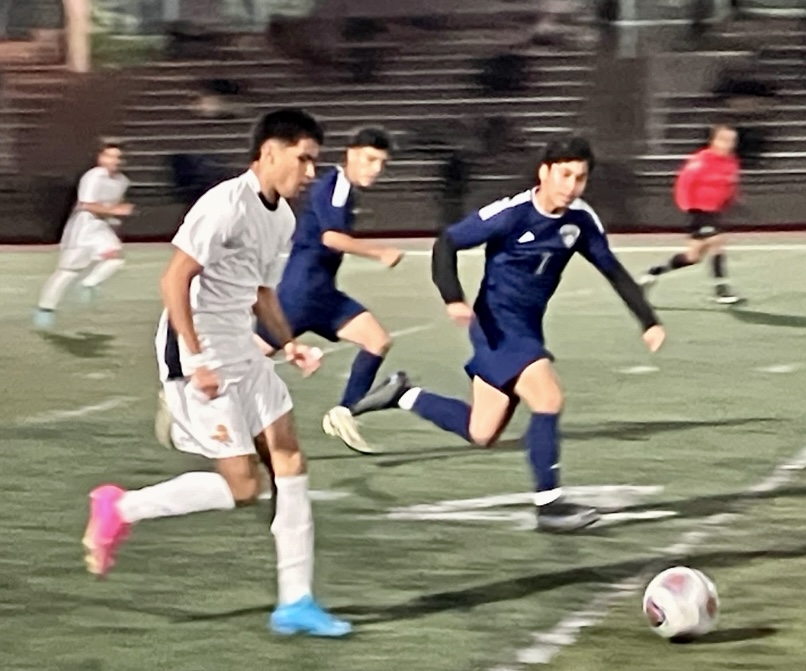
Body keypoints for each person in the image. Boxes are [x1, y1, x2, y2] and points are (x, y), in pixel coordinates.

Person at [82, 109, 351, 638]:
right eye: (304, 159)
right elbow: (173, 280)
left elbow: (262, 292)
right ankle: (121, 507)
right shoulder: (225, 204)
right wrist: (198, 356)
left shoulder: (283, 220)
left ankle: (296, 601)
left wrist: (291, 344)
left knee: (290, 456)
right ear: (269, 152)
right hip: (197, 351)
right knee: (243, 486)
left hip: (244, 350)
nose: (310, 173)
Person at [350, 136, 666, 533]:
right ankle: (550, 505)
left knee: (482, 432)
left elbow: (612, 269)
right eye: (564, 174)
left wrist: (648, 320)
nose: (571, 185)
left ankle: (403, 394)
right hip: (497, 325)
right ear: (544, 172)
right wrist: (453, 298)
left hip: (526, 327)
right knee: (548, 398)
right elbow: (447, 242)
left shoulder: (580, 220)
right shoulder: (513, 213)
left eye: (580, 178)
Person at [254, 127, 403, 454]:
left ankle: (343, 413)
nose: (376, 168)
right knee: (247, 359)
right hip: (300, 294)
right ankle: (188, 392)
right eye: (370, 159)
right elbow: (331, 238)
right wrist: (379, 252)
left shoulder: (345, 190)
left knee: (377, 340)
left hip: (322, 295)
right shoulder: (335, 187)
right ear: (350, 153)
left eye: (381, 162)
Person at [34, 139, 133, 330]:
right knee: (68, 272)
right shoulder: (93, 176)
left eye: (118, 157)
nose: (115, 161)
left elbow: (115, 204)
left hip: (101, 227)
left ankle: (89, 284)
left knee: (115, 258)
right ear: (101, 158)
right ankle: (45, 309)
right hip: (84, 227)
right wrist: (116, 210)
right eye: (110, 156)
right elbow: (86, 204)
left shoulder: (122, 181)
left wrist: (117, 212)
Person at [639, 124, 743, 304]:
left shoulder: (731, 162)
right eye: (724, 139)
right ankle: (721, 289)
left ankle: (652, 273)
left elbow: (730, 185)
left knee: (692, 257)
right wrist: (688, 208)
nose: (728, 144)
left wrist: (730, 200)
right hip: (698, 212)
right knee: (717, 242)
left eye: (732, 140)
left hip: (714, 212)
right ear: (713, 141)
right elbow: (684, 184)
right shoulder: (700, 160)